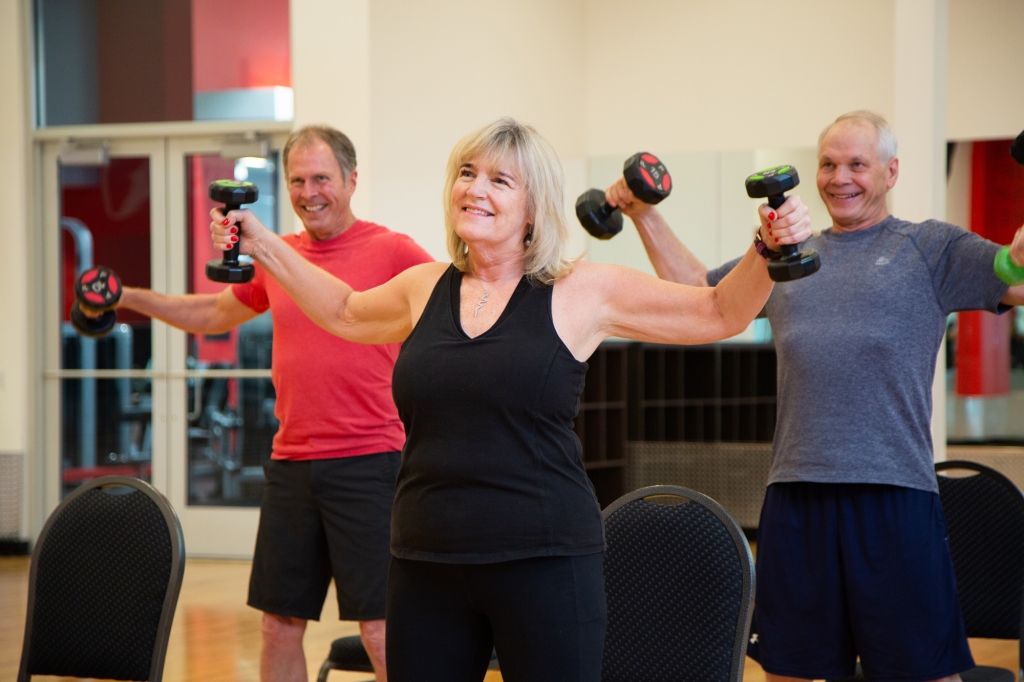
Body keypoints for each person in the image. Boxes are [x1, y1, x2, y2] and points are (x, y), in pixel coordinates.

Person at [206, 117, 811, 682]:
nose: (476, 189)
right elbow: (341, 310)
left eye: (499, 179)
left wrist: (768, 247)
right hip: (425, 562)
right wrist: (259, 242)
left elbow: (720, 311)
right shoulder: (424, 288)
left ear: (533, 206)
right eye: (467, 174)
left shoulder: (581, 291)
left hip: (544, 562)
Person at [604, 110, 1024, 682]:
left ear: (891, 171)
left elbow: (1013, 275)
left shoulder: (929, 248)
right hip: (796, 497)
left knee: (921, 672)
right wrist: (642, 213)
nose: (839, 177)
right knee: (793, 671)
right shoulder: (786, 255)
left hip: (894, 497)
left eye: (857, 164)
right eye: (828, 164)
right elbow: (699, 294)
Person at [113, 125, 432, 682]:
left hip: (370, 461)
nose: (310, 192)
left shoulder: (393, 250)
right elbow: (213, 315)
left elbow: (445, 314)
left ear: (352, 180)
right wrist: (129, 299)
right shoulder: (276, 254)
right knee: (278, 625)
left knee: (383, 628)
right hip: (291, 464)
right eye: (297, 180)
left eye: (322, 178)